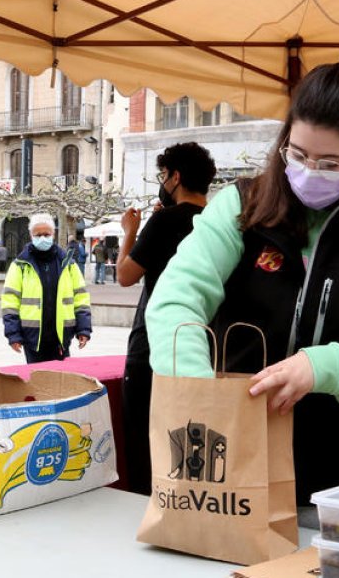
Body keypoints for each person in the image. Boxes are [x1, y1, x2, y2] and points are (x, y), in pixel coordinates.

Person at [145, 57, 339, 504]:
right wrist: (201, 393)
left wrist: (329, 367)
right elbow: (175, 302)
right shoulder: (240, 208)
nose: (309, 170)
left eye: (331, 162)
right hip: (231, 477)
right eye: (299, 154)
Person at [117, 141, 216, 495]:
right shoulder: (219, 225)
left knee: (145, 429)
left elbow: (126, 275)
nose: (163, 181)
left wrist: (130, 231)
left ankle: (148, 500)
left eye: (163, 174)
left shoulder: (164, 220)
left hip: (155, 339)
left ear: (175, 177)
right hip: (204, 339)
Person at [0, 213, 92, 363]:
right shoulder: (20, 264)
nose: (42, 238)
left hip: (61, 338)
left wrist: (84, 329)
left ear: (53, 234)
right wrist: (13, 334)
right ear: (31, 235)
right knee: (37, 381)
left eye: (46, 234)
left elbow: (81, 297)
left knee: (61, 382)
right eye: (38, 235)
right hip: (33, 339)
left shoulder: (68, 263)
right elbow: (10, 302)